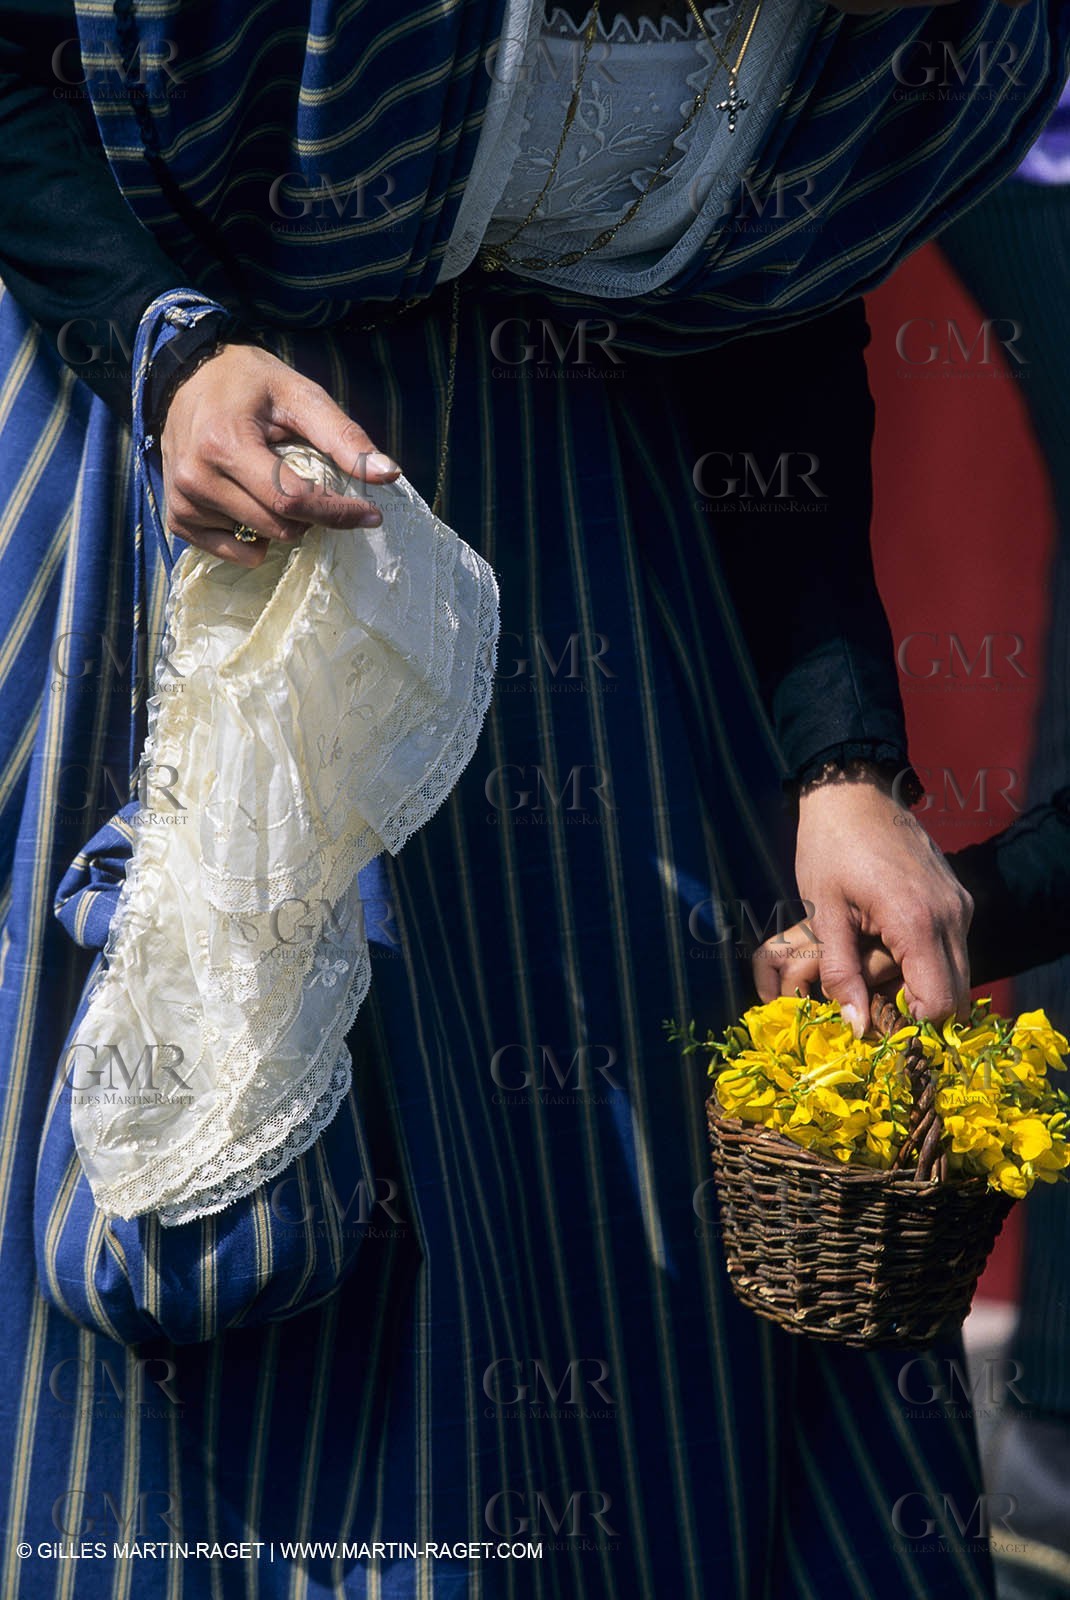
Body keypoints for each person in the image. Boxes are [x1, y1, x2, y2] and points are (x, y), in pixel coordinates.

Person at [0, 1, 1067, 1596]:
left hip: (588, 576)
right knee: (250, 1214)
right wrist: (163, 347)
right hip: (191, 495)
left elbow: (768, 303)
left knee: (616, 1260)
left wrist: (842, 766)